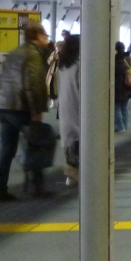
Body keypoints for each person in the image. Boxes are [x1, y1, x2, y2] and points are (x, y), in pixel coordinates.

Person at [0, 21, 51, 201]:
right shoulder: (33, 55)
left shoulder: (13, 53)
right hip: (22, 108)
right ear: (38, 36)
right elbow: (31, 86)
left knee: (7, 149)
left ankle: (0, 189)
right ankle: (36, 187)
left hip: (4, 106)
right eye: (45, 35)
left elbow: (3, 79)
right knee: (37, 144)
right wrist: (36, 111)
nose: (47, 38)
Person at [55, 33, 80, 187]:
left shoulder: (62, 65)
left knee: (69, 139)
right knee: (81, 139)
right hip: (78, 106)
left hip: (64, 107)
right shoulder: (80, 65)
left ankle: (71, 174)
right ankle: (81, 173)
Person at [114, 41, 131, 132]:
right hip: (128, 86)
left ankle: (119, 126)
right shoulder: (128, 58)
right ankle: (125, 125)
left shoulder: (115, 60)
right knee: (124, 107)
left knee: (116, 107)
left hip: (118, 86)